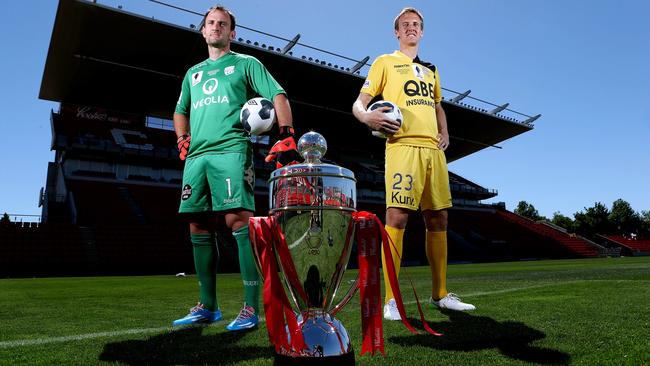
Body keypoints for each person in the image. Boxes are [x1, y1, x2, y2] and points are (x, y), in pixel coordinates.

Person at [172, 5, 300, 330]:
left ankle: (250, 309)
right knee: (198, 226)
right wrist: (182, 138)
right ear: (203, 31)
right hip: (197, 158)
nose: (215, 27)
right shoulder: (193, 73)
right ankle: (208, 307)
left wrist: (286, 134)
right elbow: (180, 111)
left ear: (232, 33)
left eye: (222, 24)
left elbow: (278, 95)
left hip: (231, 151)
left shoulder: (246, 64)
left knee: (238, 221)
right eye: (211, 23)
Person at [352, 7, 475, 320]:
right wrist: (366, 116)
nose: (411, 28)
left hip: (433, 151)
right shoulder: (385, 62)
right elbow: (360, 102)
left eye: (416, 24)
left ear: (422, 32)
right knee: (397, 218)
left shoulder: (432, 69)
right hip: (403, 147)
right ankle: (392, 301)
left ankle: (440, 295)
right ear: (397, 32)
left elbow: (438, 106)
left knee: (439, 220)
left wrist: (444, 131)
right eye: (405, 24)